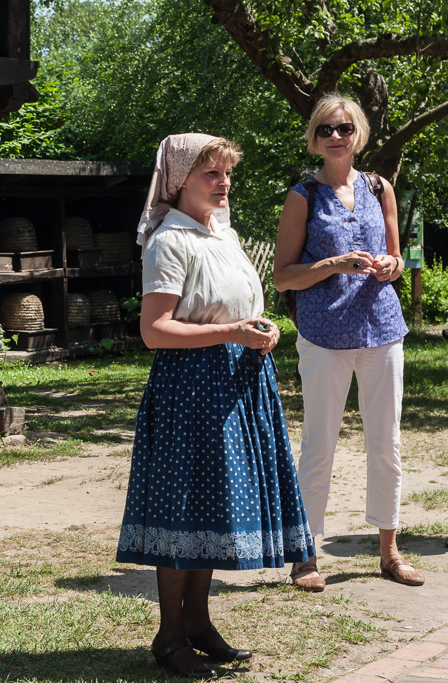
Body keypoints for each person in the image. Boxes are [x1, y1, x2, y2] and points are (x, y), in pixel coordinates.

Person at [116, 134, 315, 679]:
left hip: (235, 382)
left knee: (211, 506)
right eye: (211, 174)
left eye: (227, 173)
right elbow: (154, 331)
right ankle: (169, 634)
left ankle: (199, 624)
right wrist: (231, 330)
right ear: (180, 181)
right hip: (192, 386)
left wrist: (262, 326)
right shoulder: (170, 241)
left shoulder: (221, 234)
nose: (224, 183)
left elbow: (234, 305)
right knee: (184, 509)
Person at [273, 93, 420, 591]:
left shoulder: (381, 188)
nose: (335, 136)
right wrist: (334, 264)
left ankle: (389, 551)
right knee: (320, 444)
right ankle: (306, 555)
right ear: (314, 140)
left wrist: (390, 266)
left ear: (358, 133)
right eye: (325, 130)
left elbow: (397, 259)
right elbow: (283, 278)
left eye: (344, 128)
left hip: (382, 328)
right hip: (323, 334)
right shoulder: (302, 196)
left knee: (387, 443)